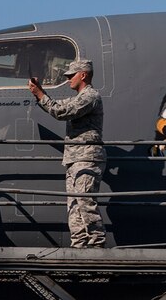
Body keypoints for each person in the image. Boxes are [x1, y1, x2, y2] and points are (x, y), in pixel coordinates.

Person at [28, 59, 106, 248]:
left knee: (85, 202)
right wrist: (41, 93)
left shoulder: (91, 96)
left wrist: (40, 95)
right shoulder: (79, 97)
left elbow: (62, 112)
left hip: (87, 158)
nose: (68, 79)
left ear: (83, 75)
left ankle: (96, 243)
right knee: (74, 206)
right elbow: (56, 105)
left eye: (72, 75)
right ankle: (79, 244)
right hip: (74, 159)